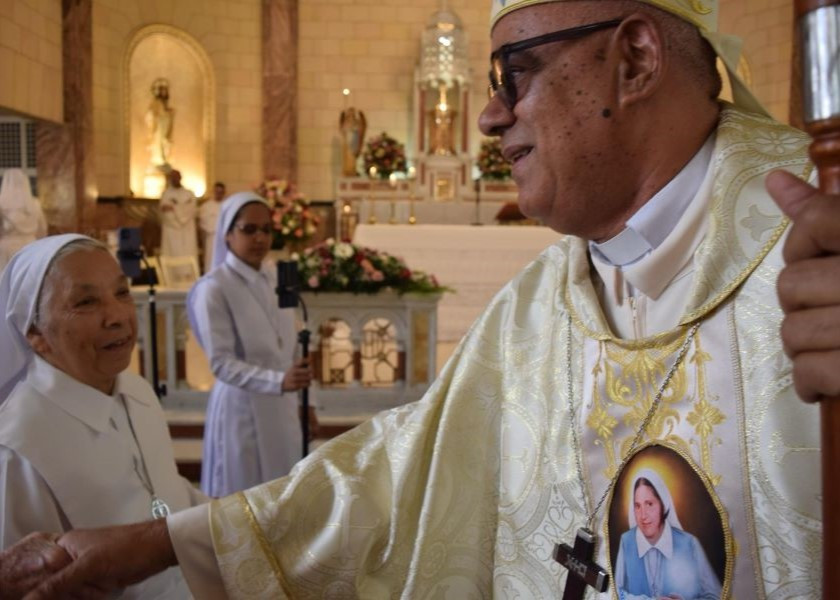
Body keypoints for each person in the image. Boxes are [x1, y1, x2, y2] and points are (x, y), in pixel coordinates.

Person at [17, 1, 840, 598]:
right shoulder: (542, 303)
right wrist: (165, 541)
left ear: (635, 61)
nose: (487, 115)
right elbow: (397, 469)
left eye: (514, 72)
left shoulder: (815, 231)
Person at [0, 234, 206, 598]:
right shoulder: (18, 447)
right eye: (86, 302)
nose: (117, 317)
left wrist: (239, 518)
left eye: (122, 293)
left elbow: (165, 494)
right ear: (35, 333)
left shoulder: (137, 390)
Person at [186, 192, 313, 497]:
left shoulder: (274, 278)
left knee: (282, 497)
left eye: (266, 230)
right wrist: (278, 380)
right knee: (244, 502)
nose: (259, 238)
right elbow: (221, 363)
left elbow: (291, 345)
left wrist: (308, 404)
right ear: (227, 234)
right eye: (249, 229)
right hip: (241, 409)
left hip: (282, 407)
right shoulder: (214, 288)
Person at [614, 470, 720, 600]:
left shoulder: (689, 544)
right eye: (637, 506)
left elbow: (715, 596)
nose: (643, 515)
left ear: (663, 505)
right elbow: (616, 593)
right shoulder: (627, 542)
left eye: (649, 504)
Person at [0, 169, 47, 274]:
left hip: (6, 248)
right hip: (31, 245)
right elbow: (42, 229)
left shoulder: (1, 204)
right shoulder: (34, 203)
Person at [159, 170, 198, 259]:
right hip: (171, 229)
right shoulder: (166, 194)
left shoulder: (189, 193)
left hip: (187, 229)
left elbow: (192, 209)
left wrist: (174, 207)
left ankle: (188, 273)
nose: (174, 179)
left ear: (180, 177)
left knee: (187, 253)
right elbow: (164, 210)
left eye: (176, 177)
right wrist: (181, 208)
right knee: (173, 252)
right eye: (172, 177)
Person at [198, 181, 225, 273]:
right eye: (217, 192)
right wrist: (215, 228)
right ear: (213, 192)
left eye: (221, 192)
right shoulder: (206, 206)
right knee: (211, 259)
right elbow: (204, 222)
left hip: (224, 238)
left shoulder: (227, 205)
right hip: (212, 238)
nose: (219, 194)